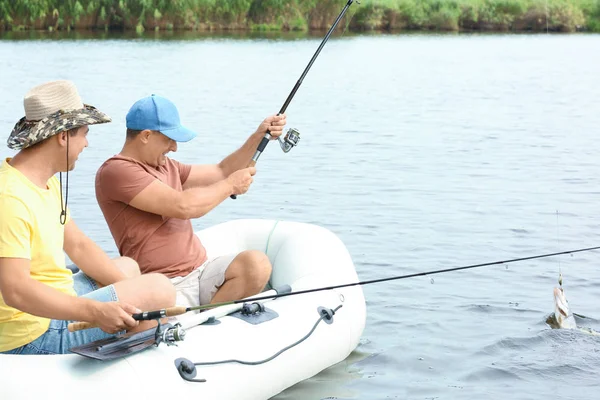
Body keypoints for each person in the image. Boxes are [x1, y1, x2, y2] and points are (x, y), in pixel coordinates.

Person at [0, 81, 176, 355]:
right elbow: (16, 291)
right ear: (63, 136)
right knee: (159, 290)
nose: (87, 143)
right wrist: (96, 310)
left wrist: (127, 293)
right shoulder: (10, 198)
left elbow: (78, 245)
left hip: (54, 299)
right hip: (31, 334)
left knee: (128, 267)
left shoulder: (44, 181)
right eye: (83, 133)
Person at [95, 94, 286, 308]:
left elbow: (221, 171)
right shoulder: (117, 171)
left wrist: (259, 135)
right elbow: (183, 206)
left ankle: (206, 316)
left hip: (201, 271)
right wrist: (230, 186)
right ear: (146, 135)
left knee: (257, 264)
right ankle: (199, 320)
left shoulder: (167, 165)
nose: (175, 147)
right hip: (163, 285)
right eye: (169, 139)